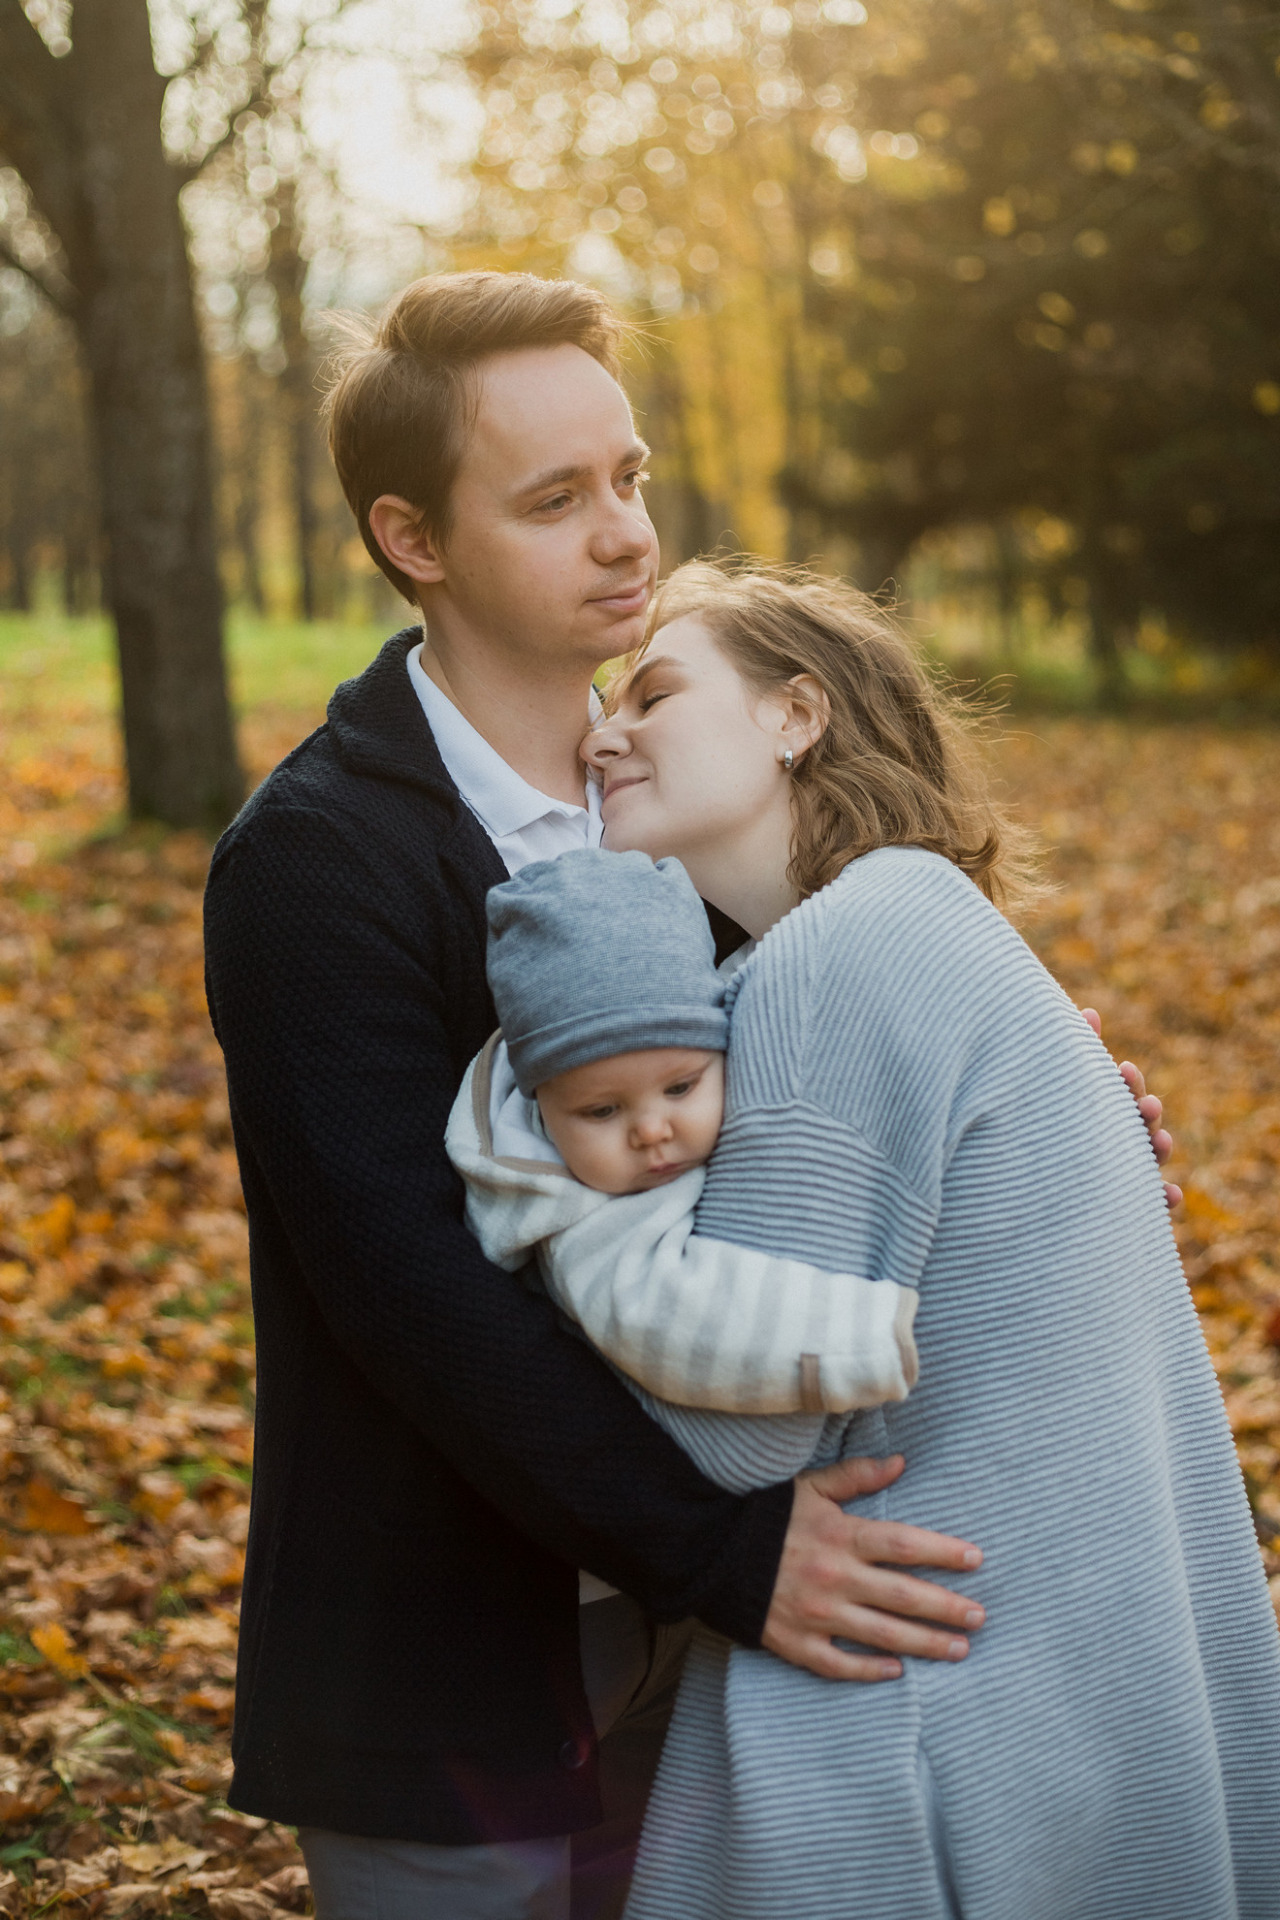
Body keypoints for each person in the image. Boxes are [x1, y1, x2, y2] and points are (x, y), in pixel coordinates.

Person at [202, 269, 1176, 1920]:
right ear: (412, 538)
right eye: (555, 499)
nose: (625, 537)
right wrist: (722, 1553)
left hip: (739, 1666)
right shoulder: (313, 865)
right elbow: (410, 1293)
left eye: (632, 478)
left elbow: (827, 1097)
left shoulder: (683, 796)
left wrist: (1025, 1122)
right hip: (453, 1675)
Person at [566, 559, 1280, 1920]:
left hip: (927, 1745)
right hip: (1073, 1698)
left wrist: (546, 1224)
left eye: (653, 691)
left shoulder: (837, 956)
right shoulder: (933, 926)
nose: (606, 733)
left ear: (796, 714)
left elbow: (734, 1439)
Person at [447, 846, 918, 1418]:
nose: (650, 1130)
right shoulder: (583, 1226)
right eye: (601, 1112)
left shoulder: (746, 1003)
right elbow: (680, 1322)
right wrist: (870, 1340)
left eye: (679, 1089)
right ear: (540, 1106)